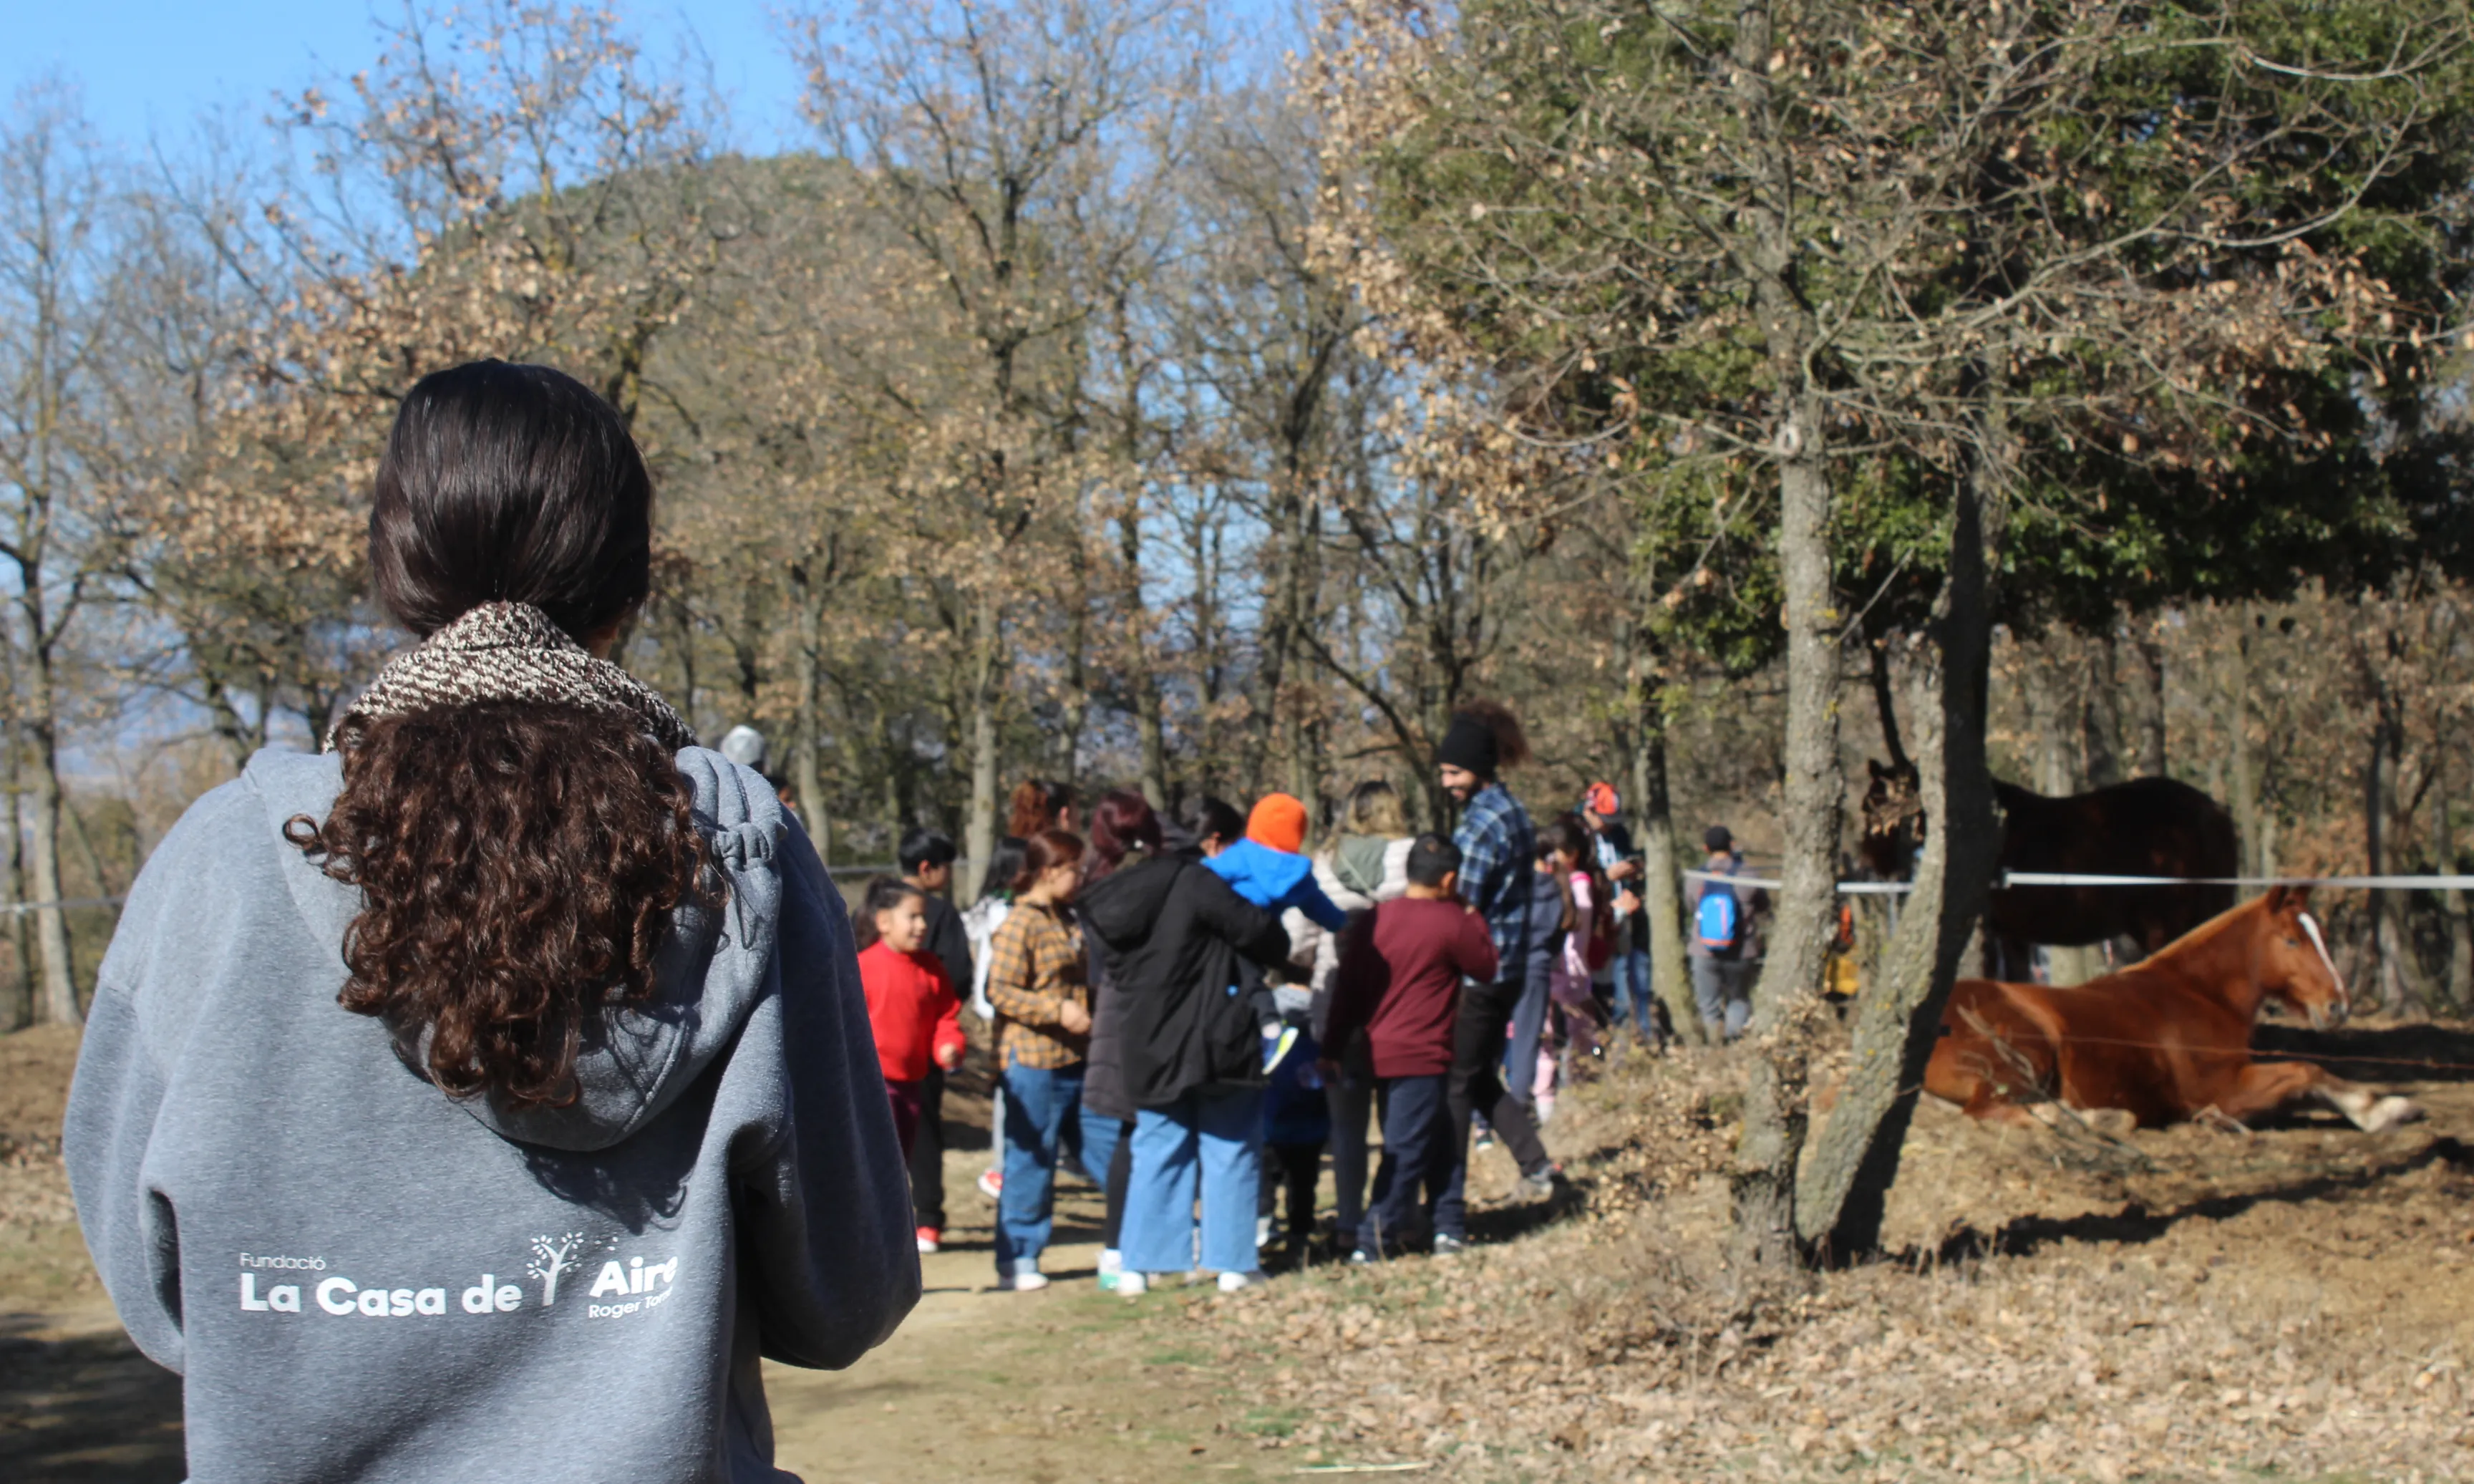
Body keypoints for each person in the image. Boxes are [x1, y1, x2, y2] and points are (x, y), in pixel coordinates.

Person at [63, 359, 916, 1482]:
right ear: (627, 588)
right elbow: (848, 1291)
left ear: (397, 566)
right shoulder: (740, 858)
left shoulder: (220, 866)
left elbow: (164, 1292)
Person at [1080, 800, 1294, 1296]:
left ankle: (1139, 1264)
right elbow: (1264, 936)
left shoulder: (1105, 900)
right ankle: (1233, 1263)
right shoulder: (1195, 881)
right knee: (1230, 1145)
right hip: (1217, 1034)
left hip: (1147, 1039)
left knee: (1157, 1147)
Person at [1322, 835, 1498, 1260]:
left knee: (1437, 1136)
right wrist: (1472, 915)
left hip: (1377, 1049)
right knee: (1406, 1148)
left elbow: (1347, 989)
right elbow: (1486, 966)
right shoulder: (1452, 921)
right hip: (1423, 1053)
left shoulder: (1376, 918)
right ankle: (1373, 1239)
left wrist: (1332, 1046)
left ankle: (1448, 1223)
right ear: (1450, 880)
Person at [1432, 701, 1556, 1251]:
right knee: (1480, 1076)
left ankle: (1447, 1213)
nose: (1447, 783)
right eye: (1443, 773)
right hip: (1510, 970)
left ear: (1478, 769)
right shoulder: (1513, 809)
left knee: (1457, 1085)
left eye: (1453, 772)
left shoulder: (1483, 823)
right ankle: (1537, 1164)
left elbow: (1461, 900)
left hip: (1480, 976)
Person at [984, 830, 1092, 1291]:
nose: (1080, 877)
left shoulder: (1067, 917)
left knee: (1100, 1147)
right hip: (1031, 1061)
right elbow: (999, 990)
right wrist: (1055, 1010)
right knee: (1031, 1158)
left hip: (1074, 1058)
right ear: (1048, 871)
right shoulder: (1020, 923)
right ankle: (1018, 1257)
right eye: (1073, 869)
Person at [1307, 780, 1415, 1244]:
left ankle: (1349, 1223)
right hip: (1397, 1002)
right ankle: (1396, 1218)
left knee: (1346, 1126)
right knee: (1398, 1121)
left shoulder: (1324, 860)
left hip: (1336, 1004)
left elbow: (1299, 938)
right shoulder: (1410, 855)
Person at [1075, 790, 1158, 1291]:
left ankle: (1124, 1247)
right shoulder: (1128, 881)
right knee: (1137, 1130)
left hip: (1114, 1008)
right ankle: (1124, 1248)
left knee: (1135, 1131)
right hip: (1132, 1009)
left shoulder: (1092, 879)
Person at [853, 876, 969, 1156]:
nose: (923, 925)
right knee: (877, 1158)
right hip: (873, 1084)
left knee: (901, 1156)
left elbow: (945, 1014)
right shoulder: (862, 968)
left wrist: (949, 1044)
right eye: (913, 917)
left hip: (913, 1083)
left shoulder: (930, 967)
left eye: (924, 916)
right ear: (884, 921)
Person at [900, 828, 974, 1253]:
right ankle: (926, 1219)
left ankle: (910, 1218)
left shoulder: (871, 907)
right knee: (923, 1128)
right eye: (947, 867)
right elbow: (958, 975)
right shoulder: (941, 913)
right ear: (928, 868)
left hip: (880, 1042)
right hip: (924, 1043)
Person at [963, 834, 1029, 1203]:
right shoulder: (999, 908)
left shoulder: (1003, 906)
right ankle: (1001, 1168)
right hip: (998, 1013)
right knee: (1009, 1088)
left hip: (1005, 1010)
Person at [1580, 782, 1658, 1046]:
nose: (1609, 825)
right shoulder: (1579, 836)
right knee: (1595, 988)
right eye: (1604, 819)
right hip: (1594, 922)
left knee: (1621, 982)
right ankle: (1595, 1045)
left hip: (1621, 917)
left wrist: (1633, 870)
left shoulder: (1618, 834)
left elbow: (1631, 859)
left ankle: (1622, 1044)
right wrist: (1608, 875)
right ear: (1589, 811)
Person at [1687, 825, 1766, 1040]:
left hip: (1703, 950)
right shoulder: (1748, 874)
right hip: (1741, 951)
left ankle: (1714, 1043)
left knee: (1708, 1004)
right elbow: (1763, 905)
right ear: (1731, 845)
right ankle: (1733, 1041)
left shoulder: (1696, 877)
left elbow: (1691, 907)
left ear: (1705, 848)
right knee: (1738, 999)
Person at [1008, 778, 1078, 840]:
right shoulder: (1057, 851)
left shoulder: (1009, 847)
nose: (1078, 819)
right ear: (1065, 815)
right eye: (1076, 810)